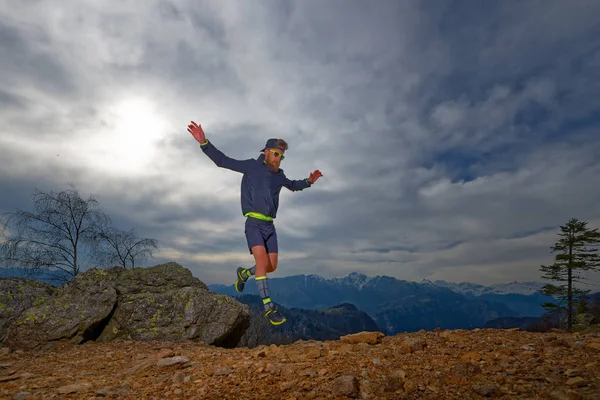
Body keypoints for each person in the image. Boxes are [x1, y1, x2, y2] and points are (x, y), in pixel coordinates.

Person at [187, 121, 323, 325]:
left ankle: (244, 273)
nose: (279, 158)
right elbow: (223, 160)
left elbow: (293, 186)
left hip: (270, 226)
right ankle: (269, 307)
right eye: (276, 154)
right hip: (253, 224)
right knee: (261, 262)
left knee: (271, 266)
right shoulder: (251, 166)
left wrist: (309, 182)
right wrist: (204, 142)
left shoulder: (279, 176)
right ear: (266, 152)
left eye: (282, 156)